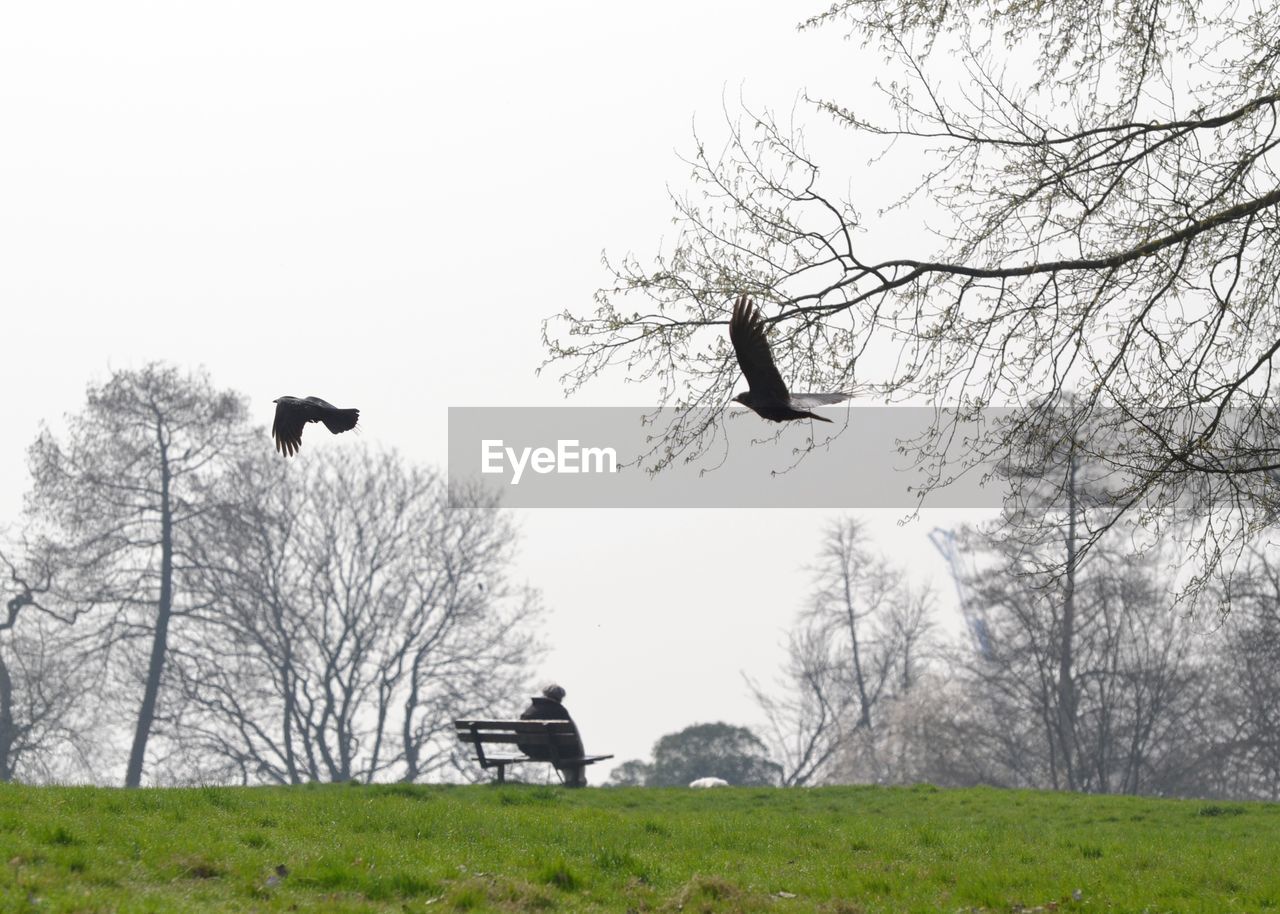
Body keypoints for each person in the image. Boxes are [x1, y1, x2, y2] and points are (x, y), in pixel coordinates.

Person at [519, 683, 587, 786]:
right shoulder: (560, 711)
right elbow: (573, 736)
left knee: (564, 748)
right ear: (560, 698)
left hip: (532, 750)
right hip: (554, 752)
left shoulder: (530, 710)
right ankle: (576, 780)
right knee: (575, 751)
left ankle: (572, 780)